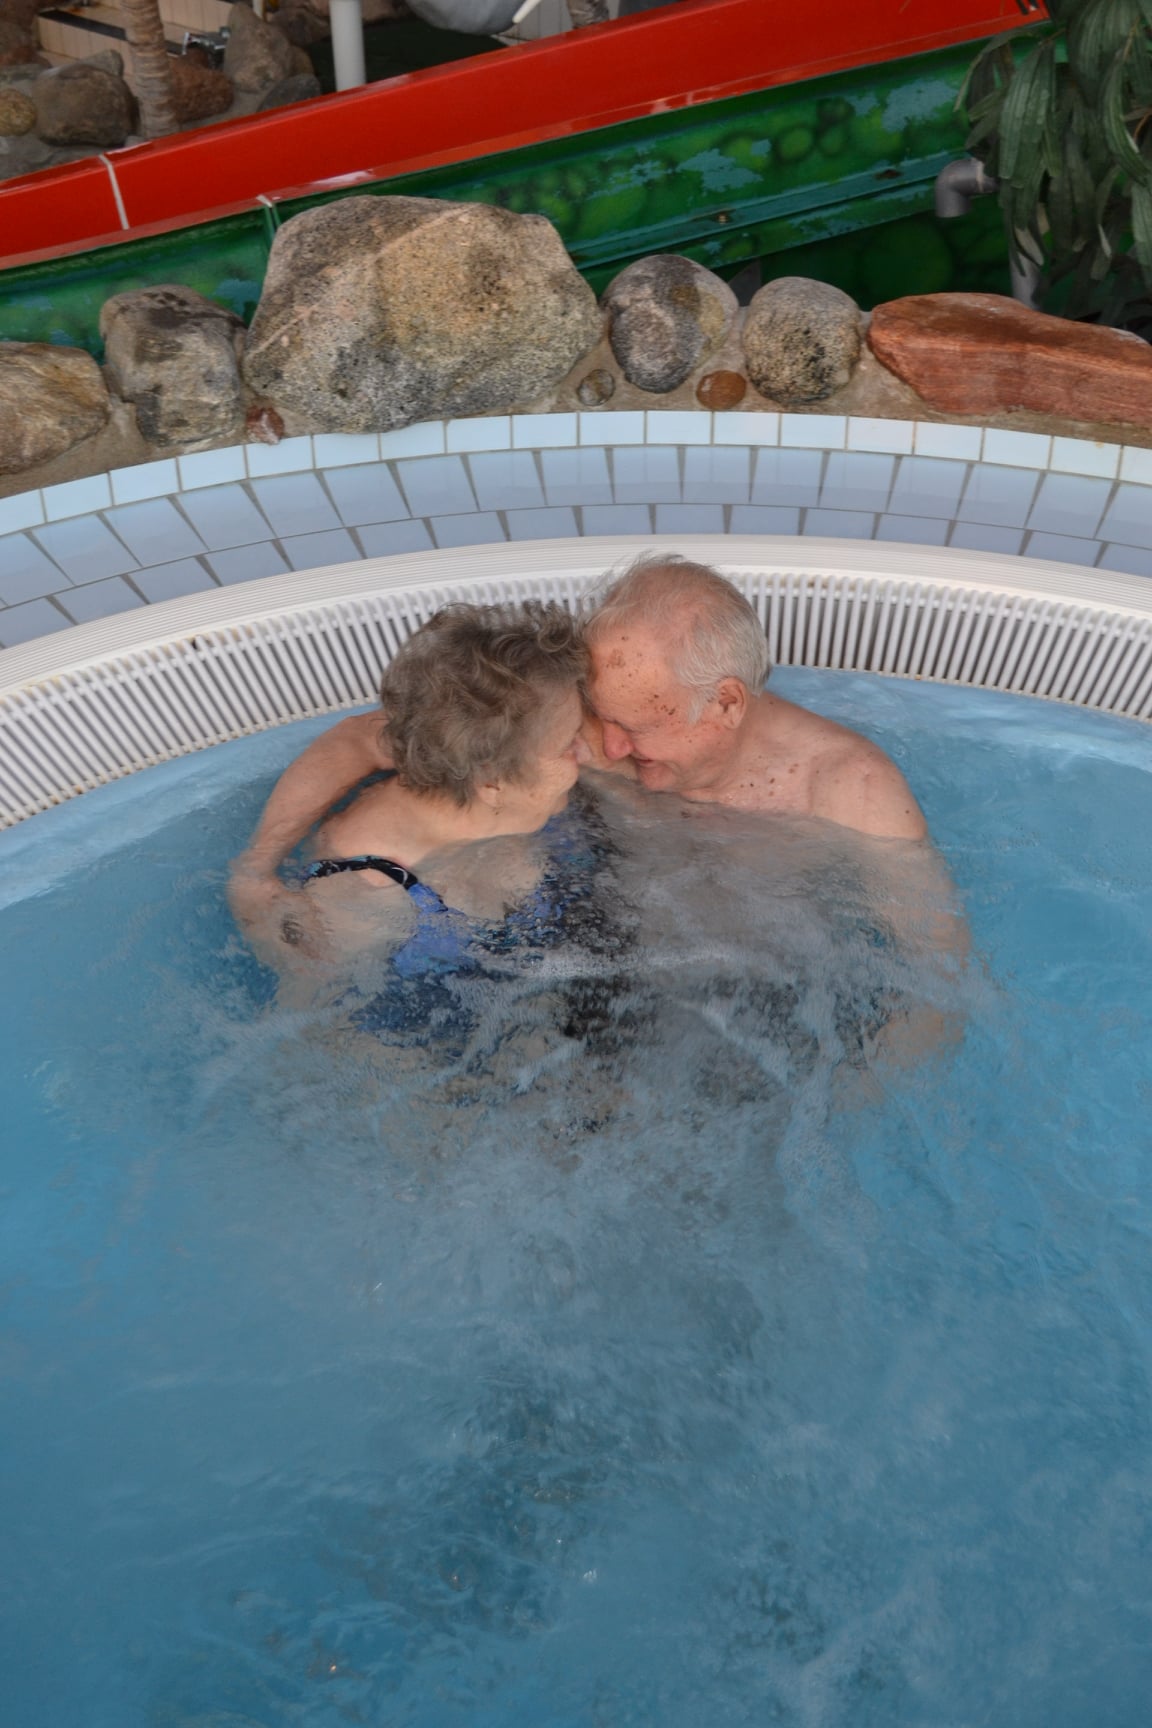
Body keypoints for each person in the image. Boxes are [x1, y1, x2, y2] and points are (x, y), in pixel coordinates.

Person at [228, 599, 595, 982]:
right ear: (492, 781)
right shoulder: (368, 887)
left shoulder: (467, 757)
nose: (587, 750)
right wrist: (255, 872)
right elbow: (314, 1013)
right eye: (570, 742)